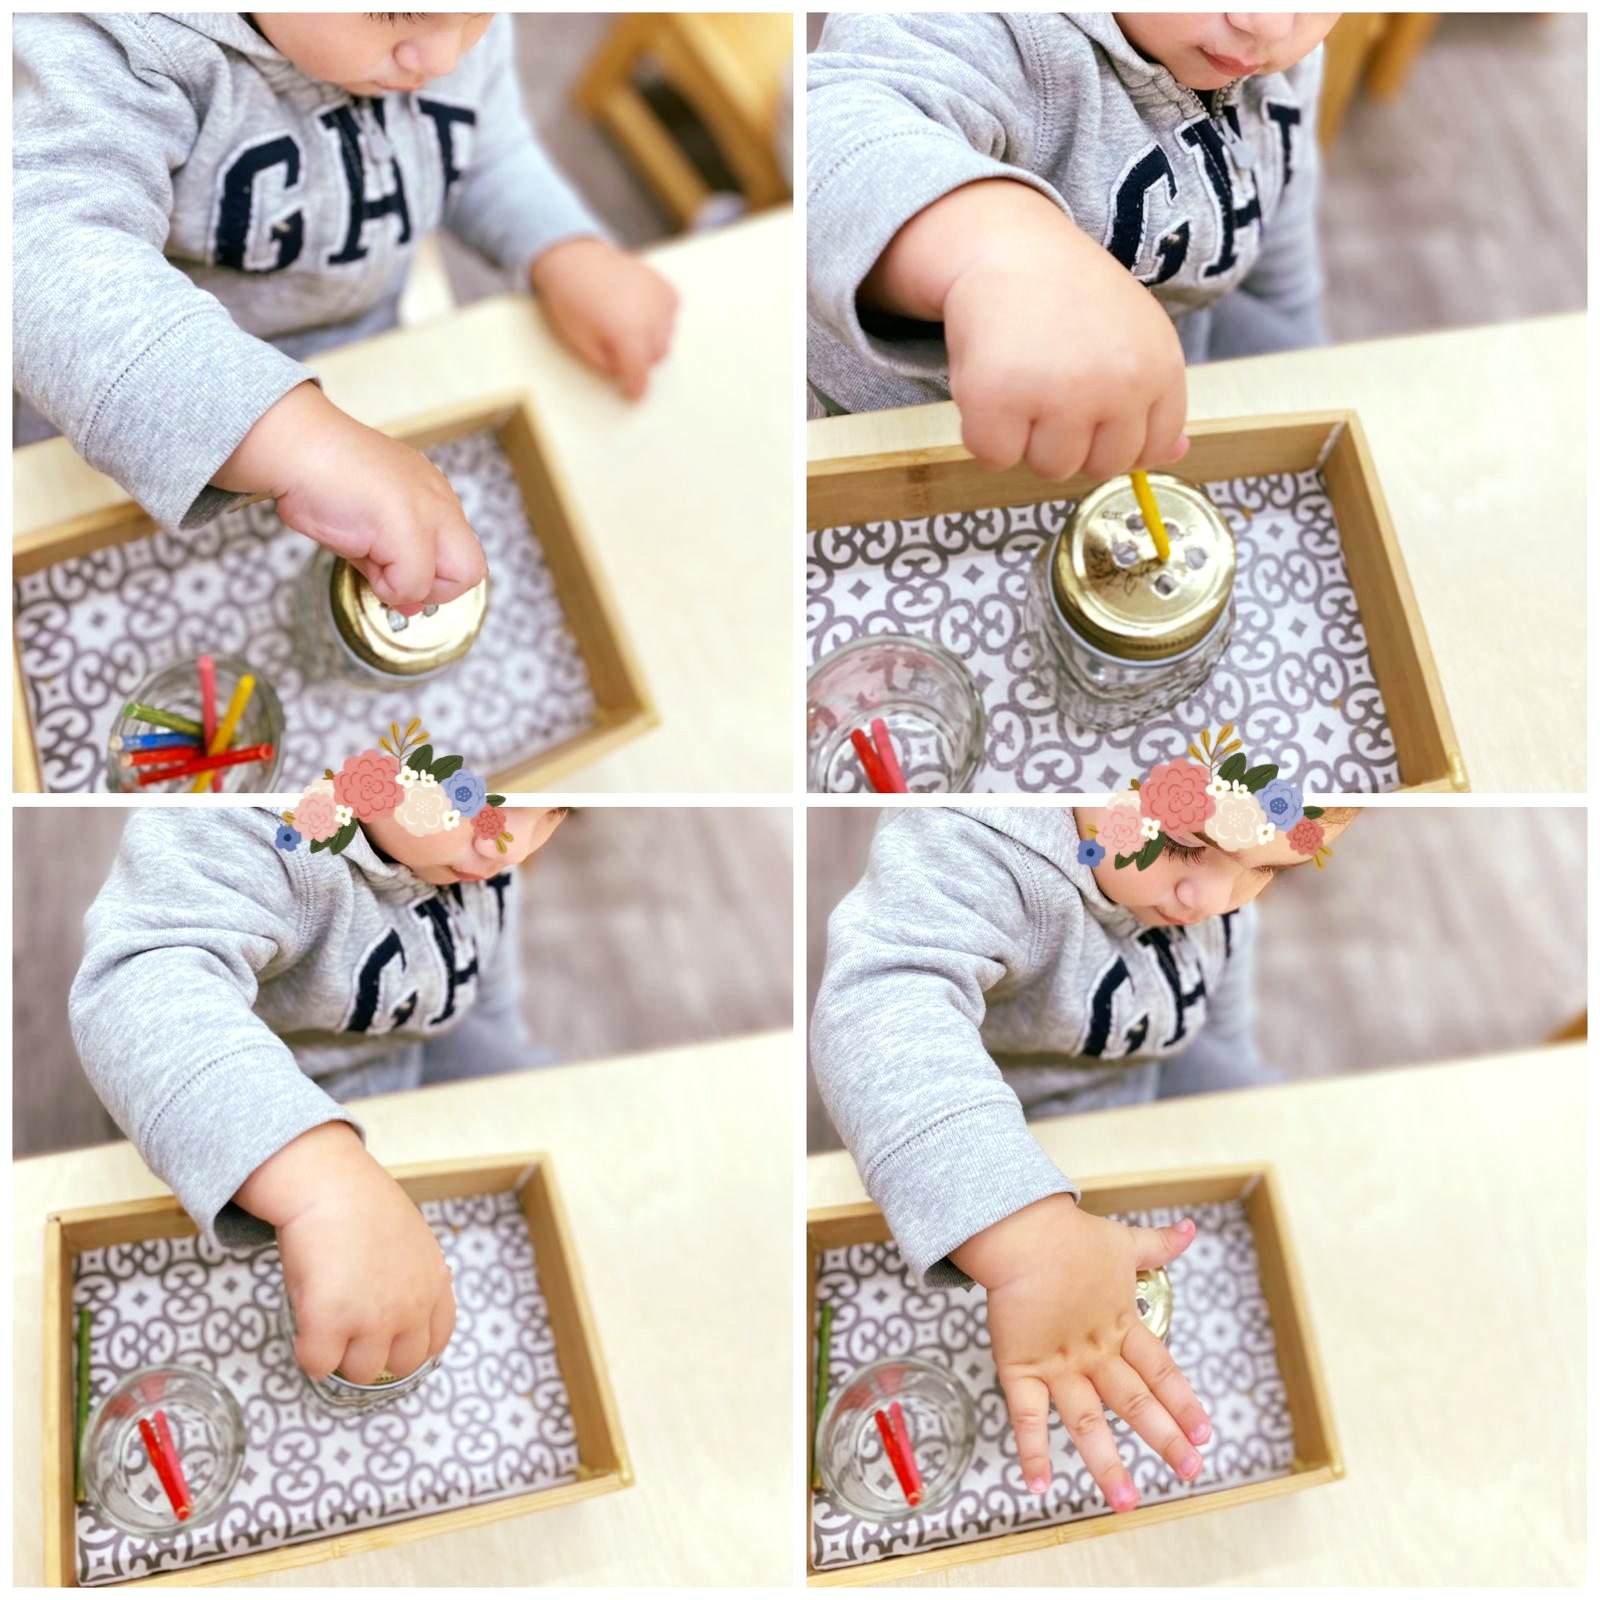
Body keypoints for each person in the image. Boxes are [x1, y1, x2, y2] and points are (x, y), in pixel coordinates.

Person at [14, 13, 678, 610]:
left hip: (363, 382)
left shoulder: (438, 37)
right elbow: (42, 261)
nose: (444, 60)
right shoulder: (116, 44)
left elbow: (485, 152)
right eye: (395, 13)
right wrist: (303, 444)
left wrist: (564, 249)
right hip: (149, 410)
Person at [811, 798, 1355, 1512]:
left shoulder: (1217, 880)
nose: (1213, 899)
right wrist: (1026, 1240)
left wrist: (1256, 1116)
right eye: (1185, 844)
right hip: (983, 1145)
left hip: (1133, 1104)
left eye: (1268, 869)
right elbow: (878, 1000)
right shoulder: (976, 837)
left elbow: (1214, 1026)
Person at [68, 798, 568, 1387]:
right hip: (221, 1138)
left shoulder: (481, 864)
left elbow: (482, 1014)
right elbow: (136, 986)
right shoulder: (252, 825)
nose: (509, 847)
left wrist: (540, 1098)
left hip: (390, 1113)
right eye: (474, 798)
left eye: (555, 811)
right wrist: (324, 1184)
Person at [807, 13, 1336, 477]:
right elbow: (834, 127)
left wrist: (1306, 358)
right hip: (897, 434)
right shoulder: (990, 27)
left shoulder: (1280, 60)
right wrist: (1004, 251)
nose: (1269, 24)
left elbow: (1279, 232)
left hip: (1135, 393)